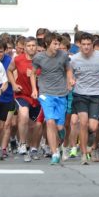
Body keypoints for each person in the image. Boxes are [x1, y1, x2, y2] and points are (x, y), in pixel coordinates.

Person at [69, 32, 99, 165]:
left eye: (89, 44)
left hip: (97, 95)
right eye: (84, 44)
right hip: (80, 94)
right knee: (82, 122)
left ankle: (89, 140)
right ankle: (83, 154)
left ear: (93, 45)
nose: (86, 47)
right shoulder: (74, 59)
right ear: (79, 45)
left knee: (93, 126)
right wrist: (70, 80)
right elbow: (69, 70)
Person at [30, 33, 73, 165]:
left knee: (60, 126)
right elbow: (32, 73)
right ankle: (54, 153)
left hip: (61, 93)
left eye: (58, 43)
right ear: (47, 44)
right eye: (55, 43)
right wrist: (34, 89)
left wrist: (70, 79)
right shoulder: (39, 57)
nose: (57, 46)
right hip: (46, 93)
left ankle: (61, 136)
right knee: (49, 122)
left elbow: (68, 69)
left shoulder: (63, 55)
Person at [7, 37, 41, 162]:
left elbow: (48, 75)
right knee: (24, 114)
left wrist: (36, 76)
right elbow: (9, 71)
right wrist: (14, 85)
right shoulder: (18, 59)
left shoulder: (42, 59)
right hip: (21, 94)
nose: (31, 48)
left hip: (37, 95)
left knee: (35, 125)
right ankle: (22, 143)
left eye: (33, 45)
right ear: (25, 47)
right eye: (29, 45)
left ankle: (33, 148)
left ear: (36, 47)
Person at [0, 39, 16, 160]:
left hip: (9, 97)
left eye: (1, 51)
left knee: (7, 125)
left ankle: (3, 148)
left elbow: (14, 77)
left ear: (5, 51)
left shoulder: (10, 61)